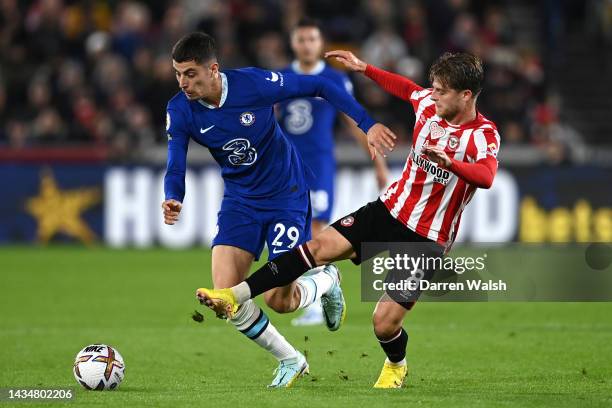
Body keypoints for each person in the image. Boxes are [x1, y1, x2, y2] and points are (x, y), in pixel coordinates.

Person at [196, 50, 501, 389]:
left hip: (427, 237)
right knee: (316, 247)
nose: (433, 94)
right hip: (388, 210)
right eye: (433, 87)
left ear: (466, 95)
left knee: (384, 324)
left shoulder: (483, 135)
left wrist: (452, 164)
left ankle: (396, 363)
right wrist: (365, 68)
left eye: (441, 90)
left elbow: (486, 176)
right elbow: (404, 88)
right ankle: (236, 295)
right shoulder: (428, 104)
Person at [162, 33, 396, 388]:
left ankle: (327, 279)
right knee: (225, 294)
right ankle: (291, 358)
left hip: (286, 195)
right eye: (178, 73)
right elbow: (175, 161)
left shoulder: (253, 84)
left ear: (213, 69)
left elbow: (320, 85)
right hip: (240, 201)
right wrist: (173, 196)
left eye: (191, 73)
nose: (183, 83)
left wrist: (367, 124)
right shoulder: (179, 109)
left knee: (279, 300)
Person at [277, 18, 389, 326]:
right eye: (301, 40)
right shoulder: (281, 78)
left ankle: (315, 296)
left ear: (320, 43)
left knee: (315, 227)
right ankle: (322, 283)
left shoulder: (334, 79)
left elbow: (352, 121)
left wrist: (377, 163)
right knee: (291, 231)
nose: (307, 45)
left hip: (318, 164)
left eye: (312, 39)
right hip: (285, 167)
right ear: (293, 43)